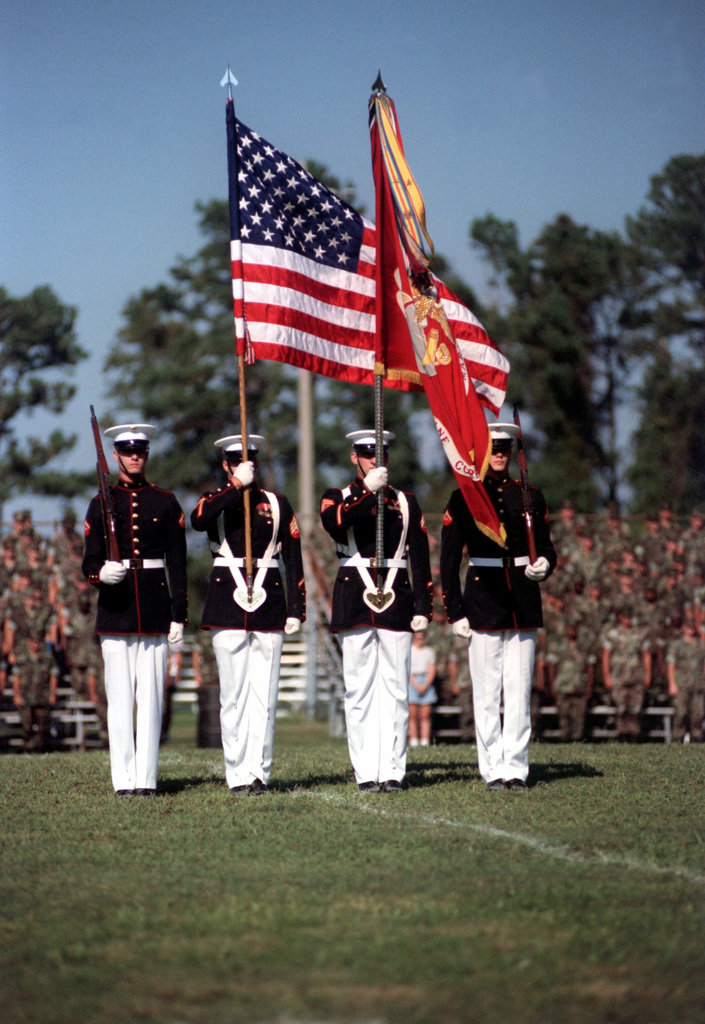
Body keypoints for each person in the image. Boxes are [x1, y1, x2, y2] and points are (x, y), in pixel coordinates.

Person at [440, 421, 556, 790]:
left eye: (506, 449)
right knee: (487, 691)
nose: (501, 455)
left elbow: (547, 545)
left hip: (522, 596)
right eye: (494, 449)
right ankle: (492, 767)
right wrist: (454, 609)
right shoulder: (464, 497)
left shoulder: (530, 496)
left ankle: (516, 767)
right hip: (482, 597)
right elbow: (448, 560)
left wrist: (545, 565)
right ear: (482, 453)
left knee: (519, 688)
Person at [190, 434, 305, 795]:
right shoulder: (216, 500)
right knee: (234, 695)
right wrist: (235, 485)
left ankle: (259, 773)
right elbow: (199, 519)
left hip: (269, 601)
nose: (245, 465)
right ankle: (237, 773)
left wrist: (296, 607)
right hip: (227, 602)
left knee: (265, 697)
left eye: (250, 460)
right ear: (226, 465)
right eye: (237, 461)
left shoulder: (277, 503)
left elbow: (294, 557)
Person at [320, 429, 433, 793]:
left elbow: (420, 554)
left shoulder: (406, 500)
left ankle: (393, 770)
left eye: (380, 454)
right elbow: (335, 524)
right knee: (359, 689)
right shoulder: (337, 496)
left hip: (396, 595)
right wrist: (368, 492)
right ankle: (366, 770)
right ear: (355, 457)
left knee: (396, 689)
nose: (374, 460)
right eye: (368, 455)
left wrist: (424, 604)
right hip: (355, 594)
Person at [82, 423, 187, 796]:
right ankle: (123, 780)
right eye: (127, 451)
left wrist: (179, 613)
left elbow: (178, 562)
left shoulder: (165, 501)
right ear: (115, 456)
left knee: (152, 698)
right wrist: (99, 573)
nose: (134, 456)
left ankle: (147, 780)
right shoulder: (100, 503)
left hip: (156, 606)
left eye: (140, 450)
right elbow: (88, 560)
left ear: (147, 454)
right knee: (121, 698)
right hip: (116, 607)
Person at [408, 630, 436, 747]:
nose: (420, 641)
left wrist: (425, 684)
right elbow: (407, 670)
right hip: (412, 681)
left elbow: (431, 669)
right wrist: (416, 685)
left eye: (422, 638)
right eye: (417, 638)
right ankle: (414, 741)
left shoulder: (429, 652)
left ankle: (425, 741)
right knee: (412, 715)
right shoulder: (409, 650)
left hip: (425, 681)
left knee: (425, 715)